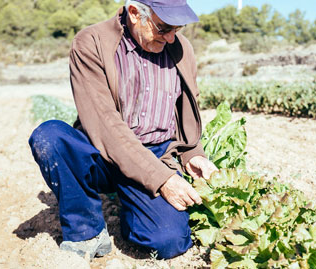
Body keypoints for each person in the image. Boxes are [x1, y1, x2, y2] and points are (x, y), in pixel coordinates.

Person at [28, 0, 217, 260]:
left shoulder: (180, 49)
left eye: (178, 28)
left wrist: (192, 154)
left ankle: (133, 210)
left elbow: (185, 108)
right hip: (101, 152)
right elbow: (104, 124)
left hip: (155, 153)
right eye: (163, 28)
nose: (172, 37)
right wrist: (161, 180)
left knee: (168, 241)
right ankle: (87, 232)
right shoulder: (91, 42)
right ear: (134, 13)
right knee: (50, 137)